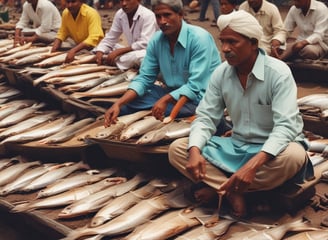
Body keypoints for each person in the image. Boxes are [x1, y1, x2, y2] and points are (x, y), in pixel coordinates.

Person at [168, 10, 314, 218]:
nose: (225, 49)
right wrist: (194, 151)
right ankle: (234, 191)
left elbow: (286, 127)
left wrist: (253, 166)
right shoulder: (221, 73)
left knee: (294, 156)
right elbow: (206, 117)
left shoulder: (278, 72)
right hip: (236, 146)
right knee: (178, 149)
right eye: (223, 42)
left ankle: (220, 187)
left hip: (271, 151)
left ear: (253, 43)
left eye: (232, 42)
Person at [104, 0, 221, 127]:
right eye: (158, 16)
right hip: (170, 92)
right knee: (125, 105)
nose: (162, 21)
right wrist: (119, 103)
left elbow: (194, 86)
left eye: (167, 15)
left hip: (198, 98)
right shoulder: (156, 40)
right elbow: (145, 78)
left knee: (158, 109)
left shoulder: (199, 38)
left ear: (180, 14)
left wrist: (164, 100)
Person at [93, 0, 159, 70]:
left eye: (128, 0)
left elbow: (146, 43)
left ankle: (112, 60)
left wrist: (119, 51)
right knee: (106, 47)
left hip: (147, 51)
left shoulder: (148, 15)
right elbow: (111, 37)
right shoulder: (120, 14)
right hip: (131, 51)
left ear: (138, 1)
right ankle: (114, 59)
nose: (124, 4)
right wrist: (100, 51)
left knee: (141, 56)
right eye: (121, 0)